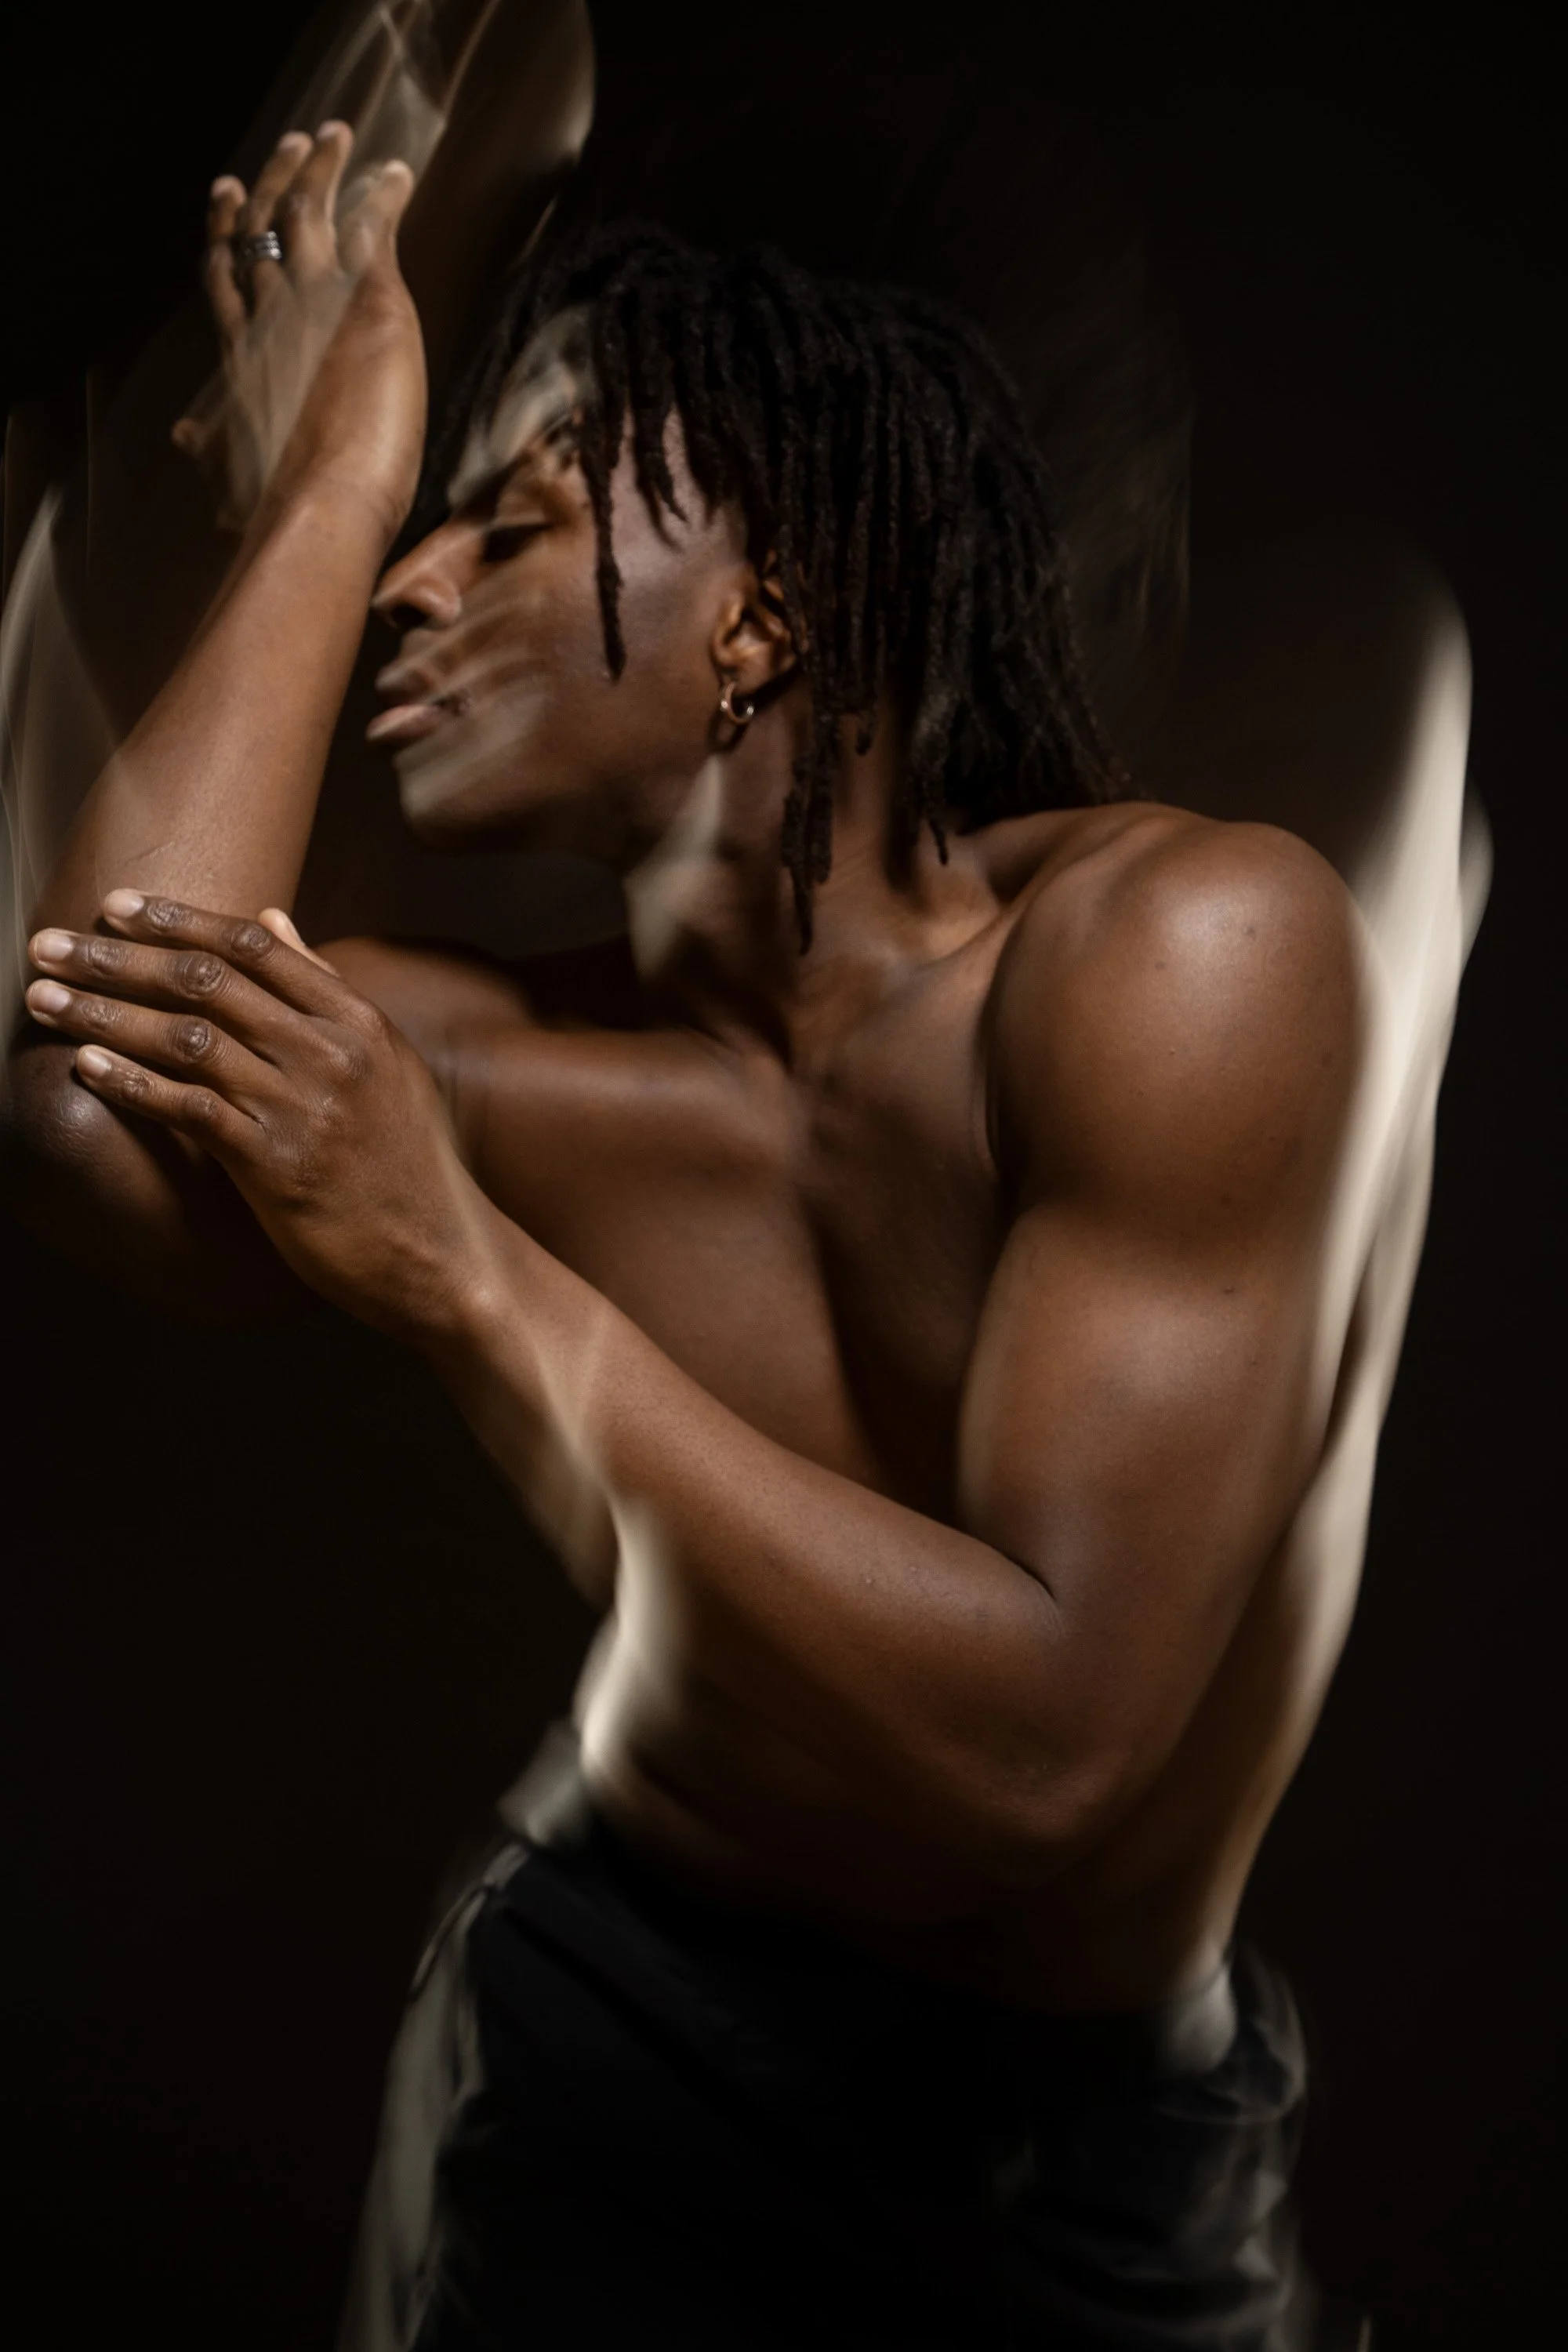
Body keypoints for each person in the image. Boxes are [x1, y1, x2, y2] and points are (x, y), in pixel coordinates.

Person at [4, 125, 1471, 2349]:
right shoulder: (494, 1069)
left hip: (1082, 2188)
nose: (417, 584)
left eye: (516, 517)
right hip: (599, 2084)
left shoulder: (1175, 950)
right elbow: (85, 1093)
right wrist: (326, 476)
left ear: (771, 609)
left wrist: (466, 1276)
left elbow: (1051, 1749)